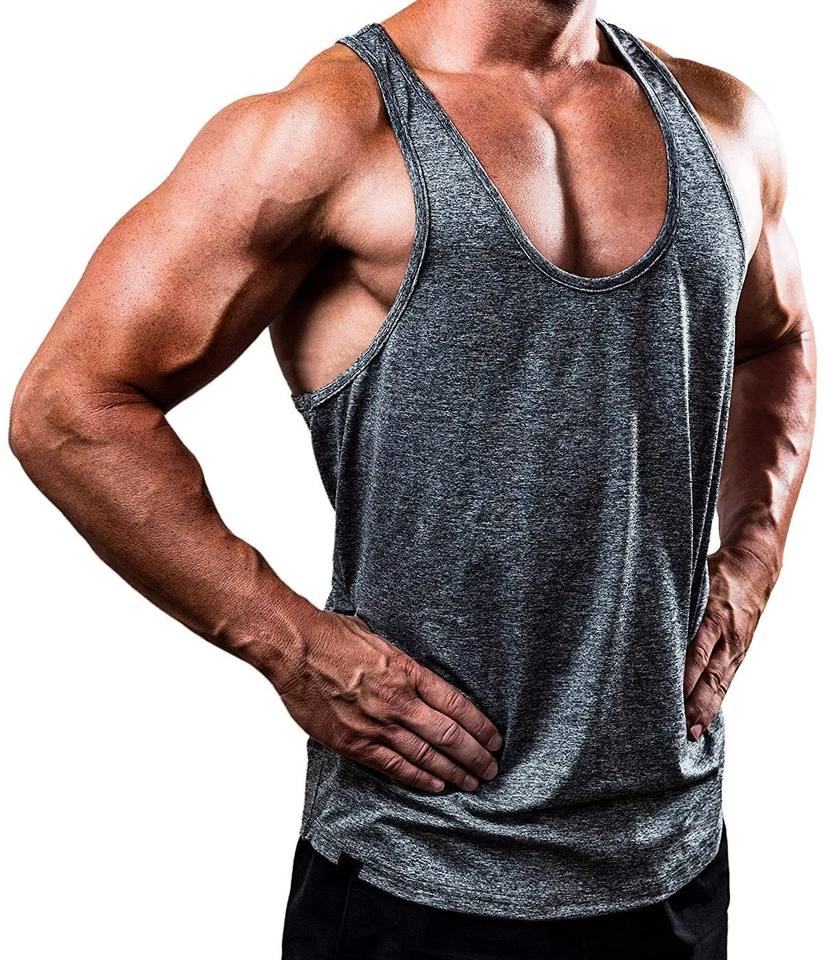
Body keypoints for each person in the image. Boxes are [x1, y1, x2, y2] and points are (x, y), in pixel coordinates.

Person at [9, 1, 816, 957]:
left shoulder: (721, 120)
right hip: (416, 865)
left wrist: (754, 559)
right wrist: (291, 644)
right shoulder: (330, 132)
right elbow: (70, 408)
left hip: (669, 860)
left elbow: (778, 339)